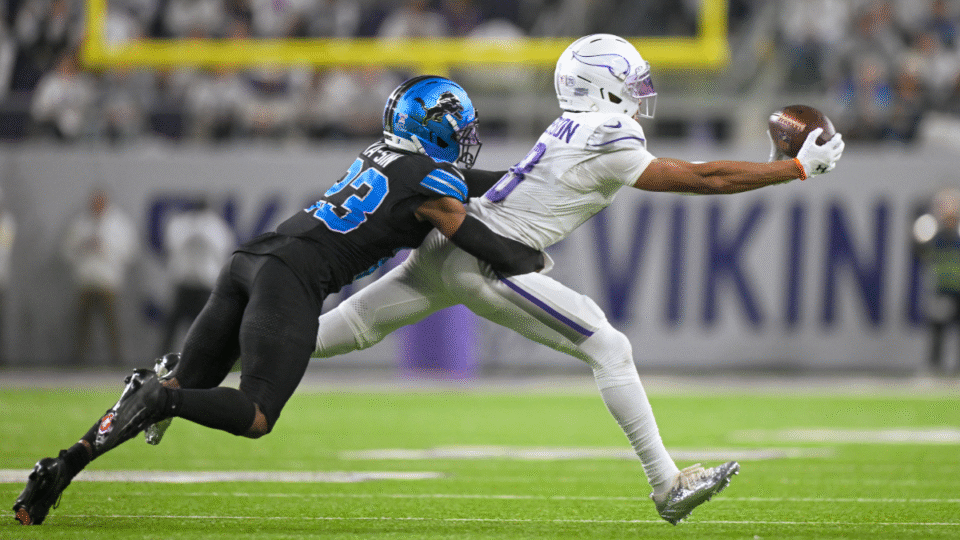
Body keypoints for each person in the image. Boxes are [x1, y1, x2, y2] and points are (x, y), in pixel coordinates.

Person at [311, 34, 845, 525]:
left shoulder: (575, 123)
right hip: (484, 258)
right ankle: (667, 484)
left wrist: (771, 165)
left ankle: (229, 350)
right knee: (609, 347)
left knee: (337, 331)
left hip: (450, 246)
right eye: (631, 80)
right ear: (603, 87)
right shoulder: (608, 132)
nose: (640, 91)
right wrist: (790, 169)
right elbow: (699, 177)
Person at [12, 75, 545, 526]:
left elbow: (476, 183)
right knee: (256, 414)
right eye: (459, 130)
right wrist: (538, 257)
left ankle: (66, 463)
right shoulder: (428, 182)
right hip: (293, 279)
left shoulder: (384, 154)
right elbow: (490, 245)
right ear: (434, 128)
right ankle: (161, 397)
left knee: (183, 381)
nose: (466, 139)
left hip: (251, 259)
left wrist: (541, 177)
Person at [61, 187, 139, 365]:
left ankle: (116, 359)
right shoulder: (80, 223)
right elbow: (66, 251)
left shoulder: (119, 223)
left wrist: (106, 248)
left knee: (112, 324)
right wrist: (84, 246)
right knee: (82, 324)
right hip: (85, 280)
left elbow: (130, 252)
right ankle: (78, 359)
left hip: (108, 280)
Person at [158, 198, 235, 355]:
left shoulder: (216, 225)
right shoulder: (181, 223)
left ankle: (208, 358)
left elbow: (224, 249)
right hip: (184, 283)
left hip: (204, 285)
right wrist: (192, 234)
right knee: (172, 325)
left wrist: (202, 235)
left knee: (207, 326)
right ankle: (161, 358)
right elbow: (171, 246)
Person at [912, 187, 960, 374]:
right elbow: (919, 253)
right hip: (942, 289)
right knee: (938, 330)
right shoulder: (933, 233)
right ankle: (934, 367)